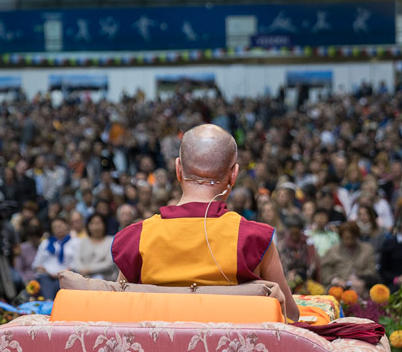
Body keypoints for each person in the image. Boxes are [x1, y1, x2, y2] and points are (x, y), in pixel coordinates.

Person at [112, 124, 298, 322]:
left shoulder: (138, 237)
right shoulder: (253, 238)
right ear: (234, 174)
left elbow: (120, 309)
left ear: (178, 169)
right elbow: (290, 315)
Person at [320, 221, 377, 289]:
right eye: (346, 238)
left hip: (361, 287)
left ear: (356, 236)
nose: (349, 241)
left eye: (352, 238)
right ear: (341, 237)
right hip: (337, 287)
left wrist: (360, 277)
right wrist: (335, 280)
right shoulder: (333, 251)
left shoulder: (367, 250)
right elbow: (325, 271)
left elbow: (371, 270)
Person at [32, 216, 75, 299]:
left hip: (67, 275)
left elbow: (76, 262)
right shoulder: (45, 243)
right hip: (47, 275)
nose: (58, 229)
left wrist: (65, 272)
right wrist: (43, 269)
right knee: (43, 279)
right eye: (55, 227)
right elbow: (36, 263)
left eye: (61, 225)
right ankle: (49, 304)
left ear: (67, 226)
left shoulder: (75, 242)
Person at [277, 214, 319, 286]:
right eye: (292, 232)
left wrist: (303, 274)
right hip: (286, 279)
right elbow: (279, 264)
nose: (295, 234)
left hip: (306, 278)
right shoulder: (281, 244)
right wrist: (288, 274)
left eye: (297, 232)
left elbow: (313, 263)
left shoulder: (308, 242)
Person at [72, 213, 117, 280]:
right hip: (84, 278)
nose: (95, 227)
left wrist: (89, 270)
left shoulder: (111, 241)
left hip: (106, 279)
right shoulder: (82, 241)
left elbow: (109, 263)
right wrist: (82, 270)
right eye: (92, 223)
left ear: (104, 225)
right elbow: (77, 260)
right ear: (88, 226)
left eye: (98, 223)